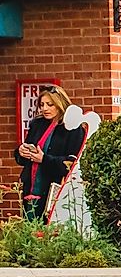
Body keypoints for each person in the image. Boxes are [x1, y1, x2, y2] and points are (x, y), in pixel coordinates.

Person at [18, 88, 80, 219]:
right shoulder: (37, 124)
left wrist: (44, 159)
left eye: (50, 104)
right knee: (30, 228)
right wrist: (21, 151)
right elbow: (24, 156)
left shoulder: (73, 128)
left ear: (60, 104)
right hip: (31, 185)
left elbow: (72, 162)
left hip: (55, 188)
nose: (44, 108)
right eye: (42, 105)